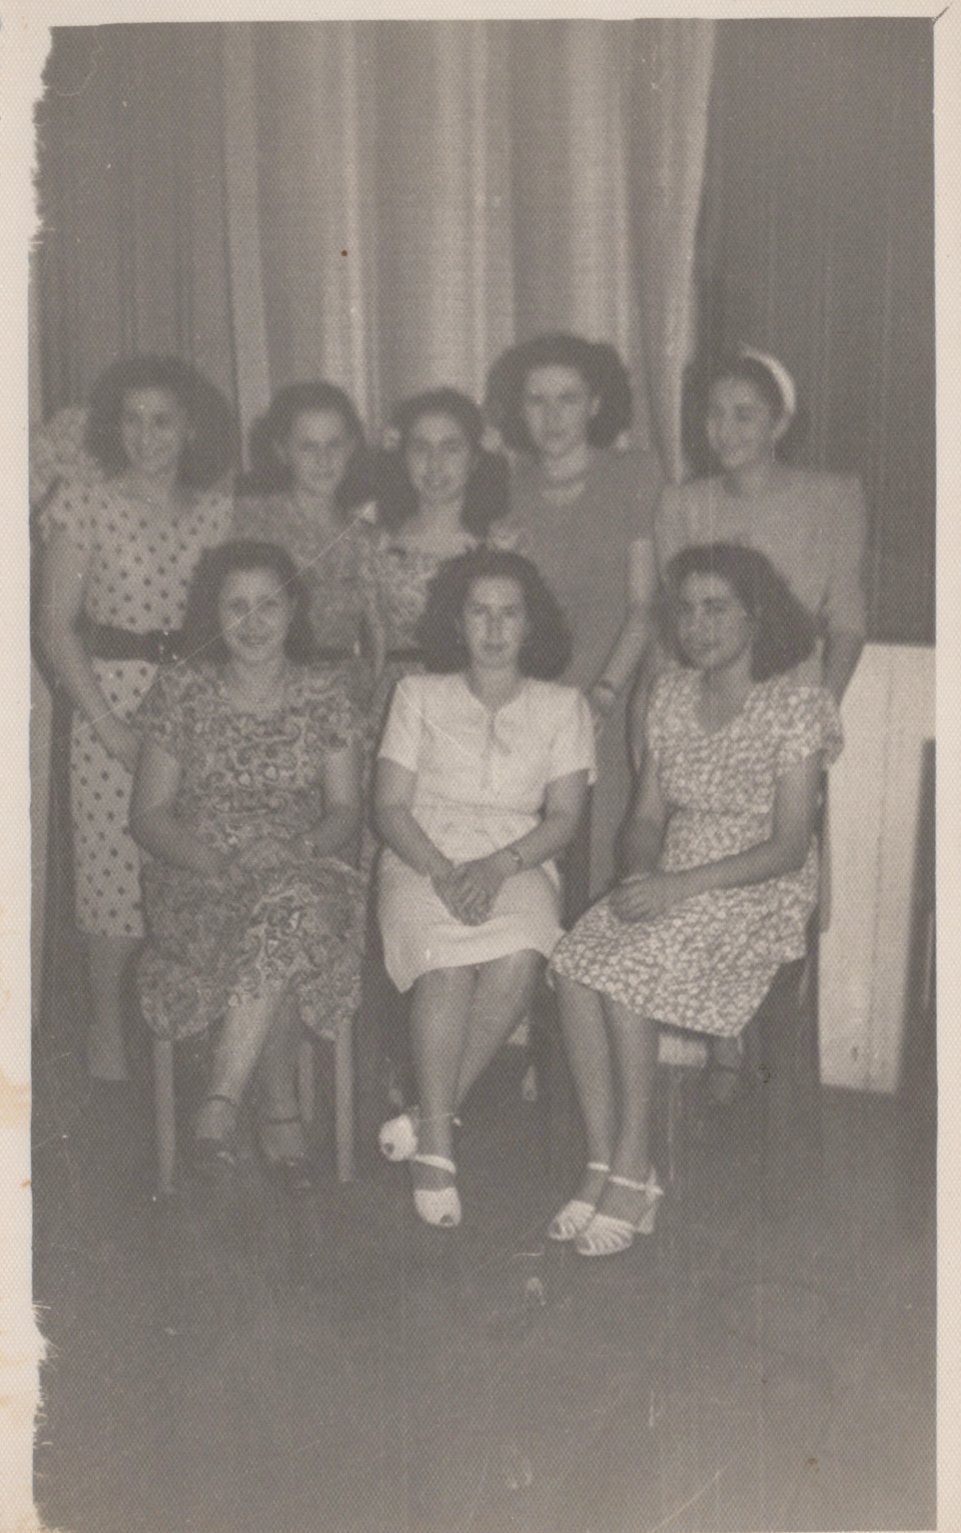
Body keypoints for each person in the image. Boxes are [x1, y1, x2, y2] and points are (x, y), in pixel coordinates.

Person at [549, 544, 842, 1256]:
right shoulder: (670, 693)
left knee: (626, 972)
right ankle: (603, 1162)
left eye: (716, 608)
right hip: (672, 874)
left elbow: (789, 845)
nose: (696, 626)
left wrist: (674, 888)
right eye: (684, 610)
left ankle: (634, 1170)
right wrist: (638, 872)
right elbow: (647, 816)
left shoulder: (798, 704)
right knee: (574, 961)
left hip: (757, 888)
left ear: (757, 615)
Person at [129, 541, 365, 1193]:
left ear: (294, 609)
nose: (253, 622)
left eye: (269, 604)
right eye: (236, 606)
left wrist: (299, 850)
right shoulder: (181, 689)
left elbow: (346, 810)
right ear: (213, 613)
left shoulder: (325, 692)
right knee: (284, 920)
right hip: (199, 879)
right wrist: (216, 862)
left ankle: (220, 1102)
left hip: (305, 867)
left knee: (288, 903)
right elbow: (149, 816)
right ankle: (278, 1113)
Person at [374, 548, 594, 1227]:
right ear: (456, 621)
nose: (494, 629)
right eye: (479, 612)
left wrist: (495, 867)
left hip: (518, 859)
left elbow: (564, 819)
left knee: (520, 954)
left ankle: (426, 1114)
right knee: (444, 970)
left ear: (531, 624)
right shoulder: (416, 694)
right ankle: (438, 1149)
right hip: (421, 853)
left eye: (509, 613)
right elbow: (389, 808)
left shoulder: (564, 706)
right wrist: (444, 871)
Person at [37, 355, 235, 1087]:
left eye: (163, 421)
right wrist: (107, 725)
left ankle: (195, 1027)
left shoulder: (217, 510)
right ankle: (106, 1028)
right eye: (132, 419)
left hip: (197, 701)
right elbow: (55, 625)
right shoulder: (83, 503)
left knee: (192, 860)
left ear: (190, 428)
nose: (147, 436)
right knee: (113, 869)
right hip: (110, 698)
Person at [485, 332, 664, 896]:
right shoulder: (506, 488)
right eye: (536, 400)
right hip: (532, 695)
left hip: (612, 688)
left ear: (595, 403)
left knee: (605, 855)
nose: (552, 416)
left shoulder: (633, 474)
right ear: (518, 409)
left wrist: (604, 694)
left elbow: (643, 606)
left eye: (568, 398)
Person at [653, 348, 867, 708]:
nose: (725, 431)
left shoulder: (834, 498)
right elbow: (674, 624)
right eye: (715, 414)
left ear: (779, 424)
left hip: (794, 698)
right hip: (705, 702)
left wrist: (823, 708)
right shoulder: (681, 505)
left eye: (744, 416)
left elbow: (847, 619)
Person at [364, 387, 517, 727]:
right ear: (403, 457)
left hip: (477, 704)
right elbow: (375, 649)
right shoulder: (378, 545)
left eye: (451, 448)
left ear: (475, 459)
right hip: (398, 707)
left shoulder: (500, 546)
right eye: (421, 448)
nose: (434, 464)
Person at [233, 380, 378, 706]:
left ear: (351, 447)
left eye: (334, 445)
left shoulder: (366, 537)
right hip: (267, 690)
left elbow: (376, 637)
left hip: (345, 696)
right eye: (308, 447)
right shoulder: (251, 521)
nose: (323, 460)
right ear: (282, 450)